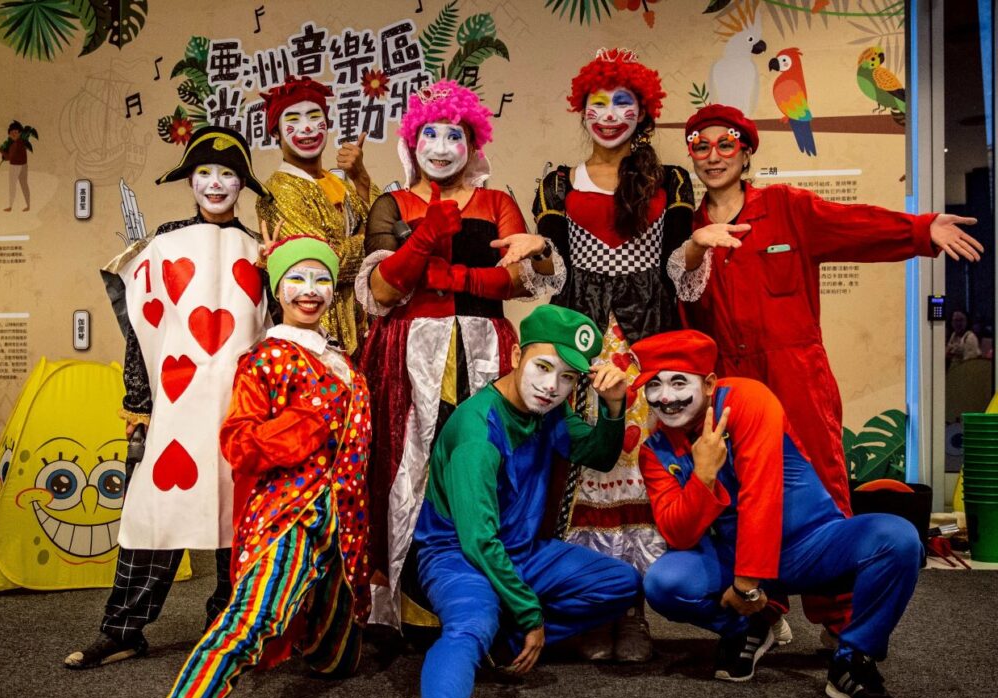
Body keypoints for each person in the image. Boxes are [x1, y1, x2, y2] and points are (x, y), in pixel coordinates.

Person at [671, 103, 982, 638]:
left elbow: (854, 224)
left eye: (726, 144)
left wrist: (920, 229)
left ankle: (838, 618)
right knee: (745, 495)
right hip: (731, 382)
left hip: (797, 374)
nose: (714, 156)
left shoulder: (786, 208)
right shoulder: (686, 229)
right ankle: (763, 611)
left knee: (823, 492)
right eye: (701, 145)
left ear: (746, 152)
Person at [112, 236, 372, 698]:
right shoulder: (265, 359)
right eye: (296, 279)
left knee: (337, 660)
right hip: (290, 517)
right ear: (277, 290)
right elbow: (239, 443)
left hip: (344, 537)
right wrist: (305, 424)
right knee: (251, 622)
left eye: (321, 279)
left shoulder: (342, 360)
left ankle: (313, 629)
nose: (310, 291)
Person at [405, 305, 641, 698]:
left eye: (568, 377)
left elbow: (599, 455)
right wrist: (531, 613)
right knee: (471, 622)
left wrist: (614, 407)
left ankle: (505, 643)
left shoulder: (549, 413)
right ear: (515, 355)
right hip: (458, 556)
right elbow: (477, 541)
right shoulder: (477, 431)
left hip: (522, 551)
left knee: (622, 582)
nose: (552, 387)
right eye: (543, 367)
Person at [355, 79, 564, 628]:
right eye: (431, 134)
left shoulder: (497, 203)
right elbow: (380, 291)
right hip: (408, 354)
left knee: (484, 464)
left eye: (455, 135)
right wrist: (424, 239)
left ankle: (492, 595)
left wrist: (463, 276)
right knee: (405, 467)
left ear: (473, 144)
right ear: (412, 141)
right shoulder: (391, 204)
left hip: (485, 349)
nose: (443, 147)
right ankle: (403, 603)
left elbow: (522, 278)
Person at [634, 330, 921, 698]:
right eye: (654, 385)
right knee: (663, 583)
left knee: (899, 539)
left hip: (811, 543)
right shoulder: (654, 451)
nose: (666, 397)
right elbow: (678, 534)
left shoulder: (748, 399)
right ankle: (746, 628)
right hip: (733, 555)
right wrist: (703, 476)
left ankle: (854, 658)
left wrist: (746, 586)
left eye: (679, 382)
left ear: (710, 383)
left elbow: (762, 493)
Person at [65, 127, 271, 670]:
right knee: (156, 514)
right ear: (189, 180)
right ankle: (123, 629)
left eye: (228, 174)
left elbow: (274, 330)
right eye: (204, 172)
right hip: (175, 408)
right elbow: (140, 328)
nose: (215, 183)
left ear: (243, 183)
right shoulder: (163, 244)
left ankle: (227, 626)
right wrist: (138, 403)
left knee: (237, 519)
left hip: (241, 408)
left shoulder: (261, 251)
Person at [533, 47, 695, 662]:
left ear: (643, 112)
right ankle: (591, 603)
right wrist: (536, 254)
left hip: (647, 346)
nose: (608, 115)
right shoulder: (556, 185)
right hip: (581, 348)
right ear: (581, 110)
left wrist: (701, 246)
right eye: (597, 103)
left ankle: (633, 613)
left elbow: (680, 272)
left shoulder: (671, 182)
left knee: (644, 476)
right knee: (581, 473)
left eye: (621, 102)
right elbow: (549, 274)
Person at [257, 77, 379, 355]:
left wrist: (360, 178)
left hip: (362, 329)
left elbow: (387, 223)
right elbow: (327, 260)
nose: (307, 127)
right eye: (294, 120)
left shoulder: (336, 182)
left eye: (315, 117)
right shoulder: (277, 190)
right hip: (315, 330)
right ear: (275, 132)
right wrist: (372, 241)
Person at [0, 119, 33, 212]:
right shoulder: (21, 143)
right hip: (24, 165)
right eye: (12, 133)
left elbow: (9, 157)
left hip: (15, 166)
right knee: (24, 185)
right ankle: (28, 205)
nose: (13, 134)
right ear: (9, 134)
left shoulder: (15, 145)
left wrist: (1, 151)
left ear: (20, 133)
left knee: (12, 185)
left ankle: (10, 206)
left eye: (16, 132)